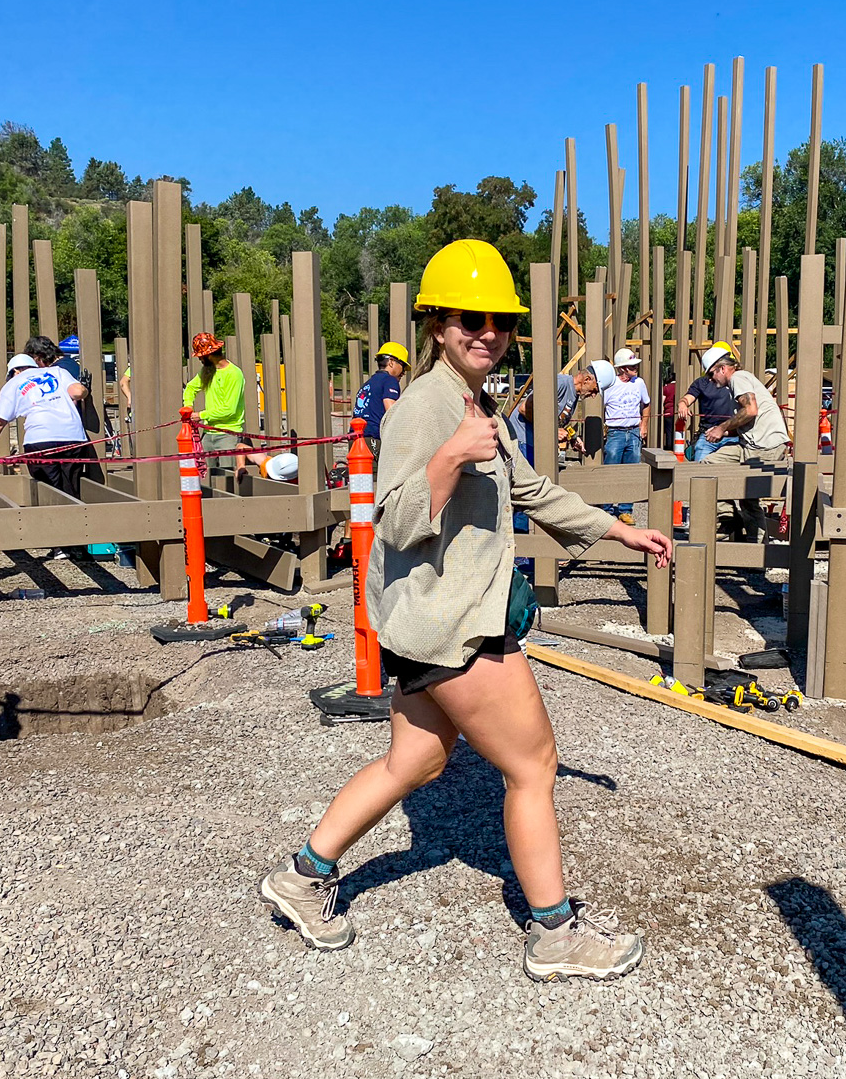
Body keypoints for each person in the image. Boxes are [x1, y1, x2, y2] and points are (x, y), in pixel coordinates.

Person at [259, 239, 672, 982]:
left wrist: (616, 528)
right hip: (451, 624)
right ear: (438, 325)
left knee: (415, 758)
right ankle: (553, 932)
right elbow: (391, 520)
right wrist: (448, 457)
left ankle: (301, 874)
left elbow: (532, 490)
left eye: (500, 322)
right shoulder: (425, 406)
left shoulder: (472, 402)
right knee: (534, 763)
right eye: (469, 319)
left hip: (430, 624)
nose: (487, 331)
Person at [698, 342, 791, 540]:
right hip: (751, 444)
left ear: (722, 368)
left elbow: (750, 410)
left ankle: (757, 549)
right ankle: (729, 518)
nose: (711, 379)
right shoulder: (740, 381)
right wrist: (727, 432)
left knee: (749, 496)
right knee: (709, 465)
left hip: (765, 446)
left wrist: (722, 428)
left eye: (711, 374)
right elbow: (749, 421)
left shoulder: (738, 378)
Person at [0, 351, 92, 502]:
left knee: (46, 492)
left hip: (39, 441)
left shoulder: (12, 384)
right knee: (71, 490)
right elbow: (78, 391)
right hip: (72, 437)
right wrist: (86, 389)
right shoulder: (58, 372)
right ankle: (74, 520)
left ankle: (50, 522)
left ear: (15, 370)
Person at [601, 350, 650, 523]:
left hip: (634, 431)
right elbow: (601, 405)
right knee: (610, 470)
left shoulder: (639, 383)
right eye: (632, 366)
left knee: (631, 471)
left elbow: (646, 404)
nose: (636, 368)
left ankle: (625, 510)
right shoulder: (610, 385)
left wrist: (643, 425)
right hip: (616, 432)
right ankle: (605, 508)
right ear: (621, 368)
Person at [182, 333, 246, 456]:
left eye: (201, 356)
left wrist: (201, 415)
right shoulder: (208, 371)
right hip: (208, 433)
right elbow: (190, 388)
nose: (200, 359)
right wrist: (188, 406)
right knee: (206, 473)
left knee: (227, 473)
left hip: (228, 435)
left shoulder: (234, 374)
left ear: (209, 355)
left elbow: (229, 410)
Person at [353, 341, 410, 470]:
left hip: (355, 439)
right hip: (373, 439)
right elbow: (392, 412)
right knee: (374, 483)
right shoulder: (390, 381)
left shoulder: (368, 383)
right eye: (403, 366)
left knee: (360, 483)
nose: (403, 372)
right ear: (391, 362)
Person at [677, 353, 741, 462]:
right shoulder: (702, 383)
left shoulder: (738, 381)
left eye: (712, 374)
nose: (711, 379)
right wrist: (682, 404)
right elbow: (688, 398)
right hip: (708, 436)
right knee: (700, 468)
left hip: (733, 435)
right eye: (709, 374)